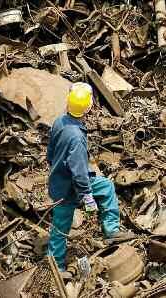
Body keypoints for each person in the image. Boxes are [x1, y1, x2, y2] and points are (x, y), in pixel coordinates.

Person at [46, 82, 135, 275]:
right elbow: (78, 173)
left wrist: (58, 168)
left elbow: (50, 154)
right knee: (61, 228)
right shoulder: (76, 137)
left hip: (58, 182)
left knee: (105, 187)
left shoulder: (60, 121)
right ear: (88, 108)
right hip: (69, 189)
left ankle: (110, 232)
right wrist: (87, 197)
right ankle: (56, 267)